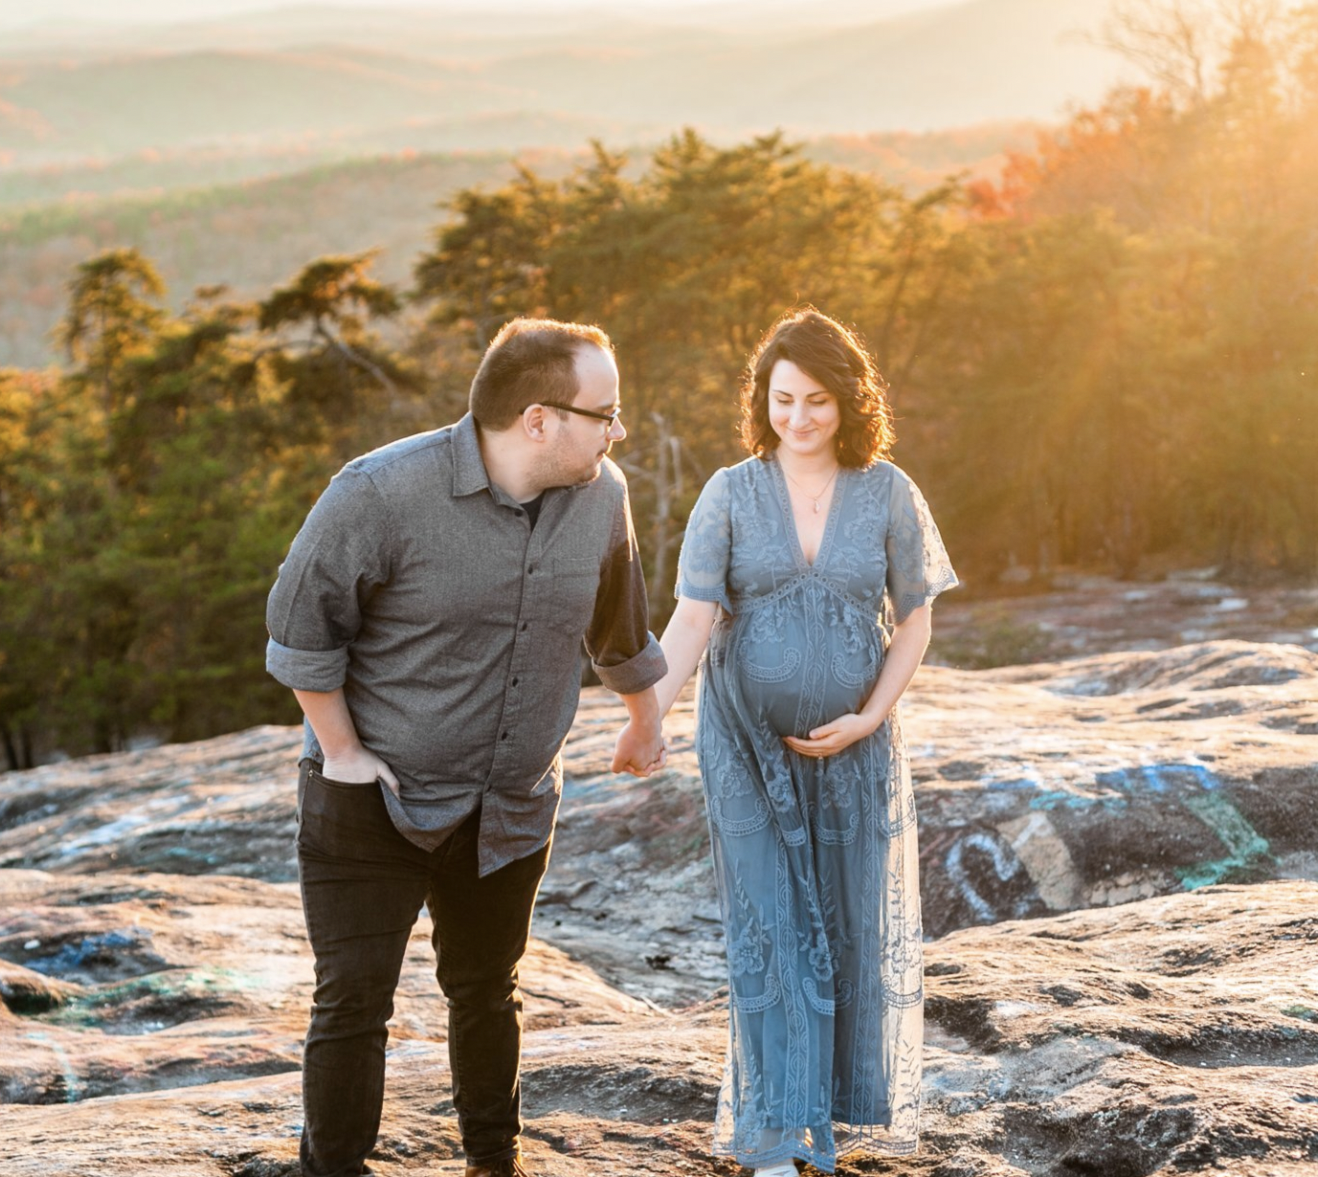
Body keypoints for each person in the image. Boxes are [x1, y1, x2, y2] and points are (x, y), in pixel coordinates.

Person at [265, 317, 669, 1177]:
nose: (619, 429)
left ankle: (495, 1161)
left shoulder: (602, 494)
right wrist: (339, 749)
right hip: (371, 800)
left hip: (509, 807)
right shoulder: (379, 493)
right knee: (353, 1005)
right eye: (606, 411)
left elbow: (619, 626)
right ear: (538, 419)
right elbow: (301, 631)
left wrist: (644, 717)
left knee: (487, 993)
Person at [652, 308, 956, 1175]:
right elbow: (692, 616)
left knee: (848, 926)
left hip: (856, 746)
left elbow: (915, 620)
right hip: (746, 742)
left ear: (849, 400)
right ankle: (778, 1135)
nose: (798, 418)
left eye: (817, 401)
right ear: (764, 401)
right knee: (773, 927)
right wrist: (651, 716)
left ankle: (824, 1120)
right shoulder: (729, 491)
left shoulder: (889, 490)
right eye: (783, 400)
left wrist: (870, 715)